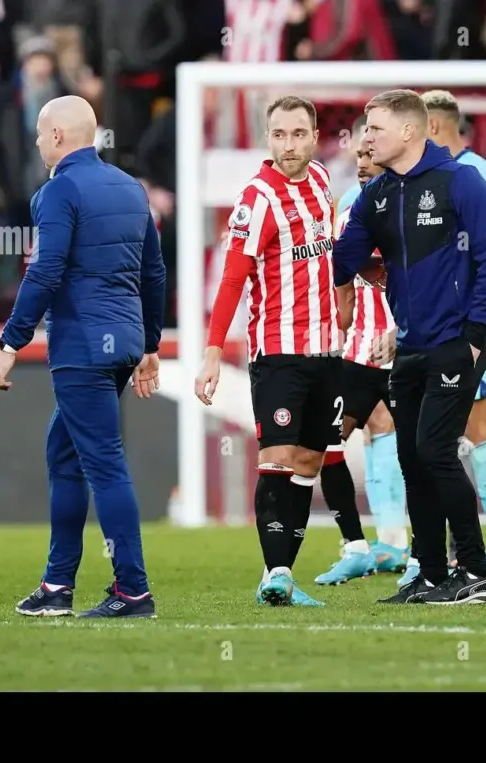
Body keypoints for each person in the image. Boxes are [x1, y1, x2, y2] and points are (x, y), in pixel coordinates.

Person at [334, 89, 486, 605]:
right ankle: (432, 574)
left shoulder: (461, 180)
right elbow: (342, 261)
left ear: (410, 131)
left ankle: (476, 573)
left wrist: (477, 336)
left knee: (435, 451)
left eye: (375, 129)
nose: (365, 138)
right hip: (407, 346)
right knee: (412, 457)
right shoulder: (379, 194)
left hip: (456, 344)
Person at [0, 96, 166, 619]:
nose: (39, 142)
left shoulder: (58, 190)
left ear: (59, 137)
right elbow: (154, 272)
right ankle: (56, 585)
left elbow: (43, 273)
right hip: (123, 340)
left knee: (104, 463)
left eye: (42, 134)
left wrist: (9, 344)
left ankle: (133, 590)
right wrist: (150, 345)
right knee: (65, 452)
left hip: (83, 344)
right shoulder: (130, 188)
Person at [195, 95, 340, 608]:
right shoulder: (257, 200)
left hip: (328, 350)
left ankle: (275, 572)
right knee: (277, 456)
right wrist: (213, 350)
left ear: (315, 135)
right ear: (268, 138)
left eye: (298, 134)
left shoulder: (323, 182)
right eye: (279, 135)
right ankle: (278, 573)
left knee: (307, 462)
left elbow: (330, 260)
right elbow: (233, 278)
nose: (289, 145)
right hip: (278, 351)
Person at [421, 89, 486, 577]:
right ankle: (448, 547)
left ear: (434, 127)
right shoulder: (441, 174)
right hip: (436, 325)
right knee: (444, 435)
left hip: (466, 326)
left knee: (479, 430)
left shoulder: (472, 172)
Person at [313, 122, 409, 586]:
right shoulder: (347, 206)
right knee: (329, 444)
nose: (364, 164)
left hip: (403, 347)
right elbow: (339, 278)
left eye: (372, 156)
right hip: (352, 351)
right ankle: (358, 544)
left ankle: (403, 545)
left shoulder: (411, 203)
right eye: (358, 160)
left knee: (418, 448)